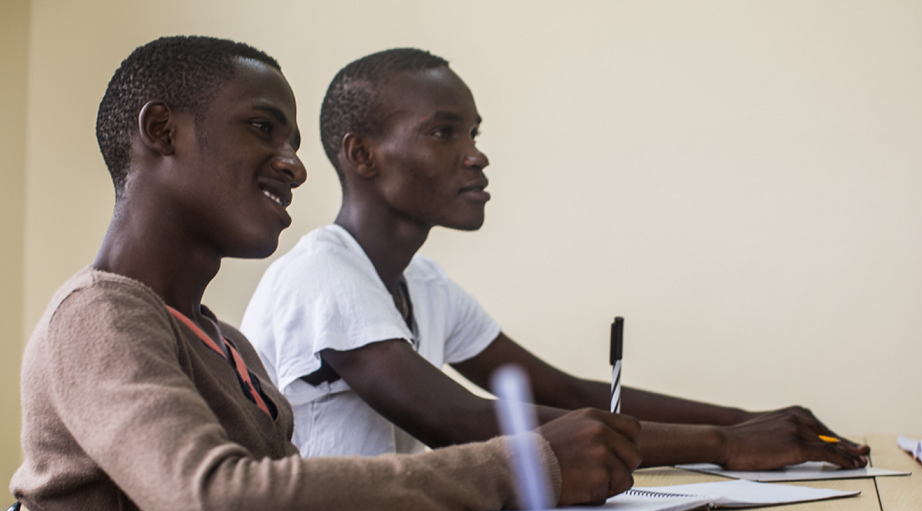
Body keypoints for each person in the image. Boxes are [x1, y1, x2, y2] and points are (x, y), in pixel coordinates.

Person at [10, 36, 641, 511]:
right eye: (262, 129)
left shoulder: (229, 345)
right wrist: (525, 465)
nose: (295, 167)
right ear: (161, 131)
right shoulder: (98, 315)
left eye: (294, 144)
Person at [241, 48, 871, 470]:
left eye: (475, 134)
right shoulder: (320, 277)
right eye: (444, 132)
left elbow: (561, 391)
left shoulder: (422, 284)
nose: (476, 155)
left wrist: (752, 421)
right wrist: (723, 444)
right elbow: (459, 422)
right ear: (362, 155)